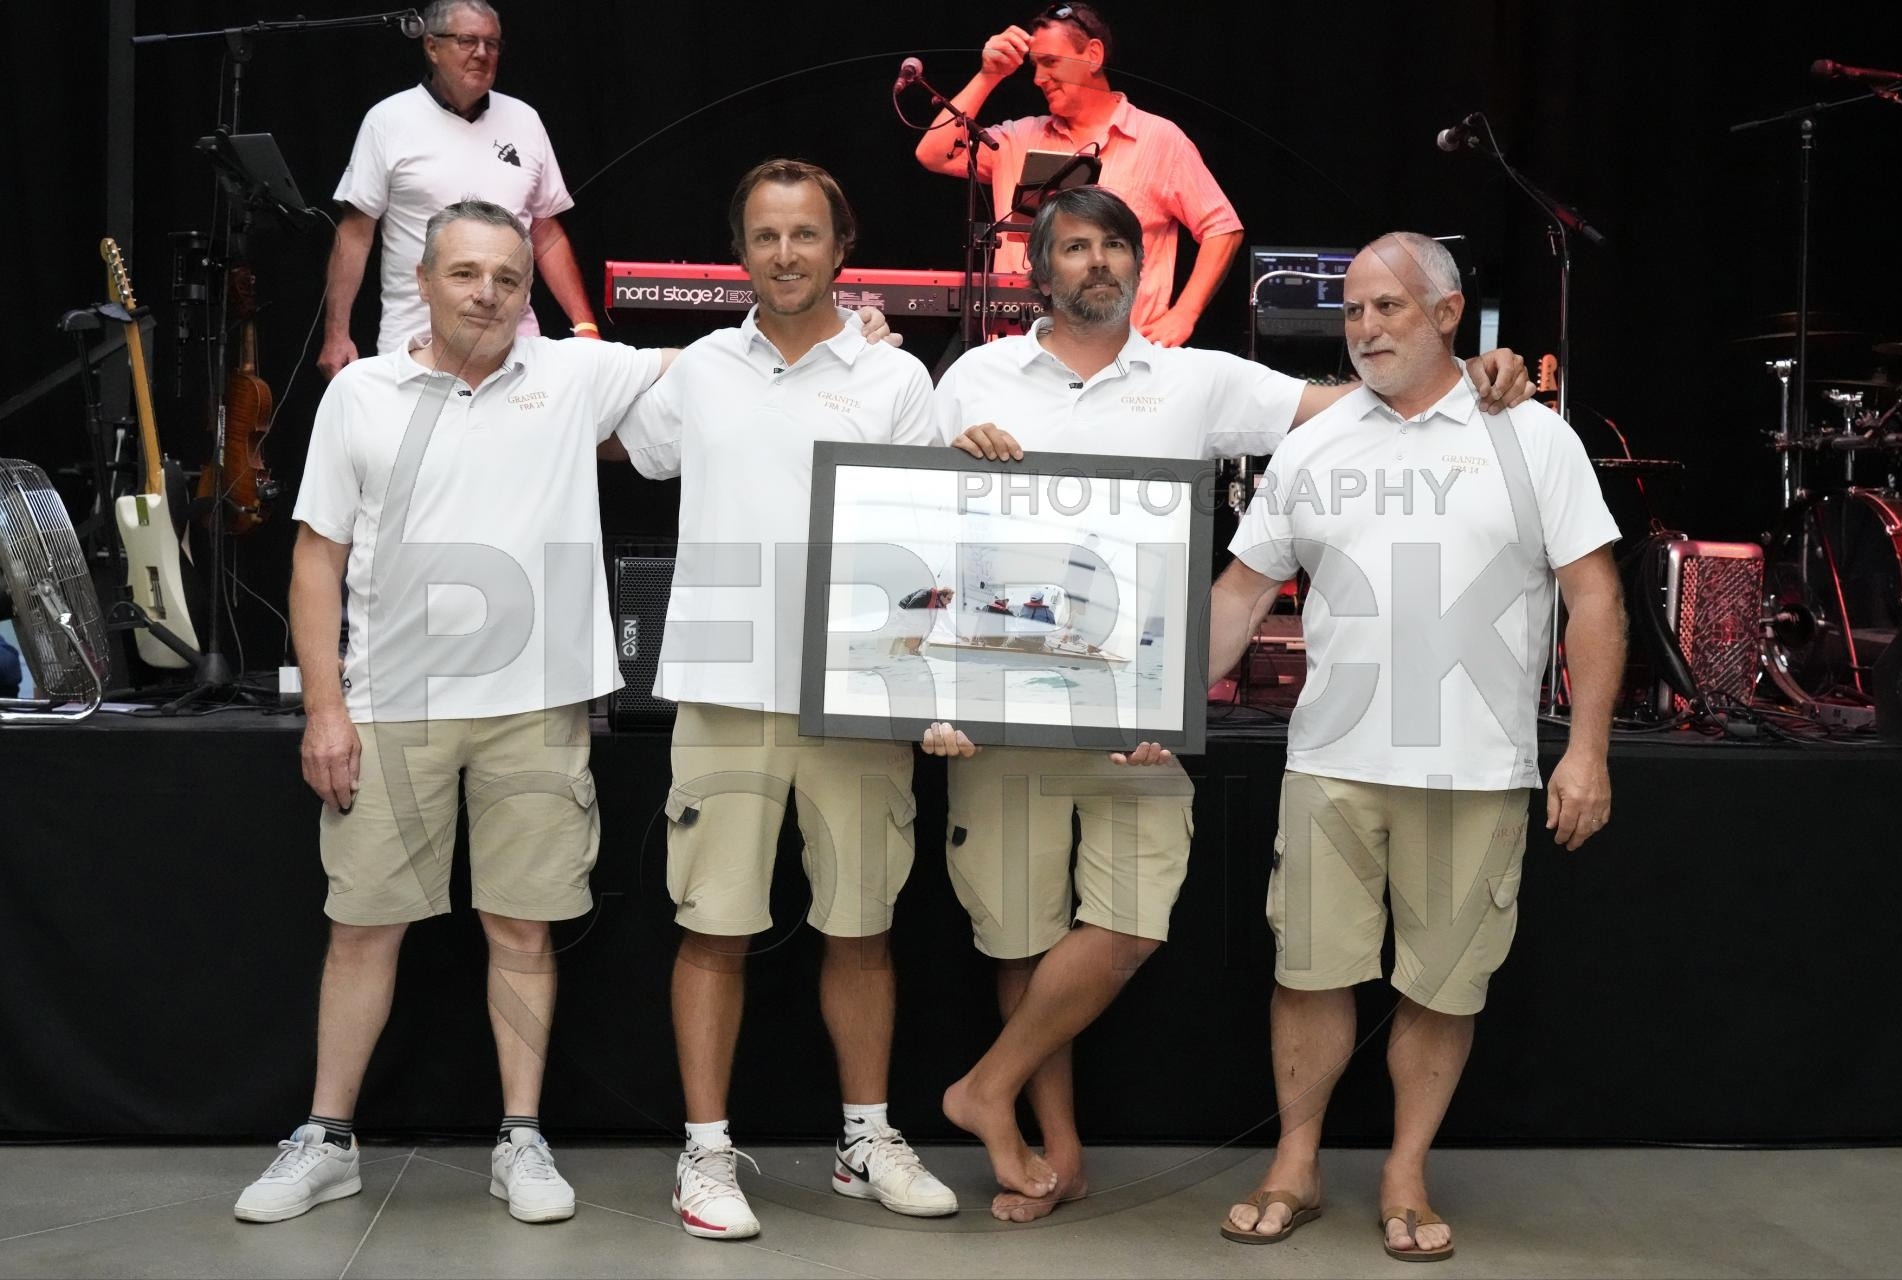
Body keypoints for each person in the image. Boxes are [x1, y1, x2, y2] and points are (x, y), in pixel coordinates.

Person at [919, 187, 1534, 1223]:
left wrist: (1467, 370)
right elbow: (916, 518)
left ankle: (985, 1086)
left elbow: (1354, 397)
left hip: (1140, 708)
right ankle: (1053, 1149)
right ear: (1039, 268)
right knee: (1022, 935)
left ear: (1142, 265)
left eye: (1116, 245)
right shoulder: (973, 379)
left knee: (1126, 925)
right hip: (1004, 698)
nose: (1098, 262)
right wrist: (928, 684)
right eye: (1075, 247)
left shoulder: (1194, 377)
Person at [233, 199, 672, 1225]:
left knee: (522, 926)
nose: (488, 293)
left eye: (508, 278)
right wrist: (326, 710)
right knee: (363, 927)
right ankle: (327, 1138)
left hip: (538, 710)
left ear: (528, 294)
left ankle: (521, 1138)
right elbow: (315, 559)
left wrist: (858, 327)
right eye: (466, 273)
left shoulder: (572, 373)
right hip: (393, 707)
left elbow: (720, 368)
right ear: (422, 281)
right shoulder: (363, 395)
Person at [1206, 232, 1625, 1261]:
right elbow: (1241, 595)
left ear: (1446, 315)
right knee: (1309, 972)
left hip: (1476, 766)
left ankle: (1405, 1169)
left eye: (1388, 306)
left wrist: (1587, 750)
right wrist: (1155, 710)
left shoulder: (1530, 434)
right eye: (1353, 310)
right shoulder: (1313, 446)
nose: (1365, 327)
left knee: (1442, 985)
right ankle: (1295, 1161)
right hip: (1331, 762)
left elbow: (1595, 596)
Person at [610, 159, 958, 1241]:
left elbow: (932, 544)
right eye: (765, 235)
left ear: (841, 247)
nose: (786, 253)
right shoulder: (701, 370)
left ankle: (866, 1140)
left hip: (858, 691)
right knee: (713, 929)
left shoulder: (897, 379)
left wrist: (933, 681)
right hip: (724, 685)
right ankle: (706, 1153)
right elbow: (633, 446)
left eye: (806, 233)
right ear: (741, 251)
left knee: (862, 929)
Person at [911, 3, 1243, 346]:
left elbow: (1222, 228)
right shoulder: (1016, 138)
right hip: (1018, 354)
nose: (1038, 78)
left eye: (1051, 62)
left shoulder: (1158, 139)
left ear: (1093, 55)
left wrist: (1184, 314)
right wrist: (989, 75)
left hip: (1121, 354)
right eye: (1035, 66)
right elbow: (932, 153)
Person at [318, 0, 599, 378]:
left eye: (492, 44)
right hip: (417, 346)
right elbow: (355, 234)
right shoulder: (388, 120)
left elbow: (545, 230)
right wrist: (336, 335)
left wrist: (585, 326)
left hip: (515, 350)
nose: (482, 53)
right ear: (432, 47)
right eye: (467, 41)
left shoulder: (524, 120)